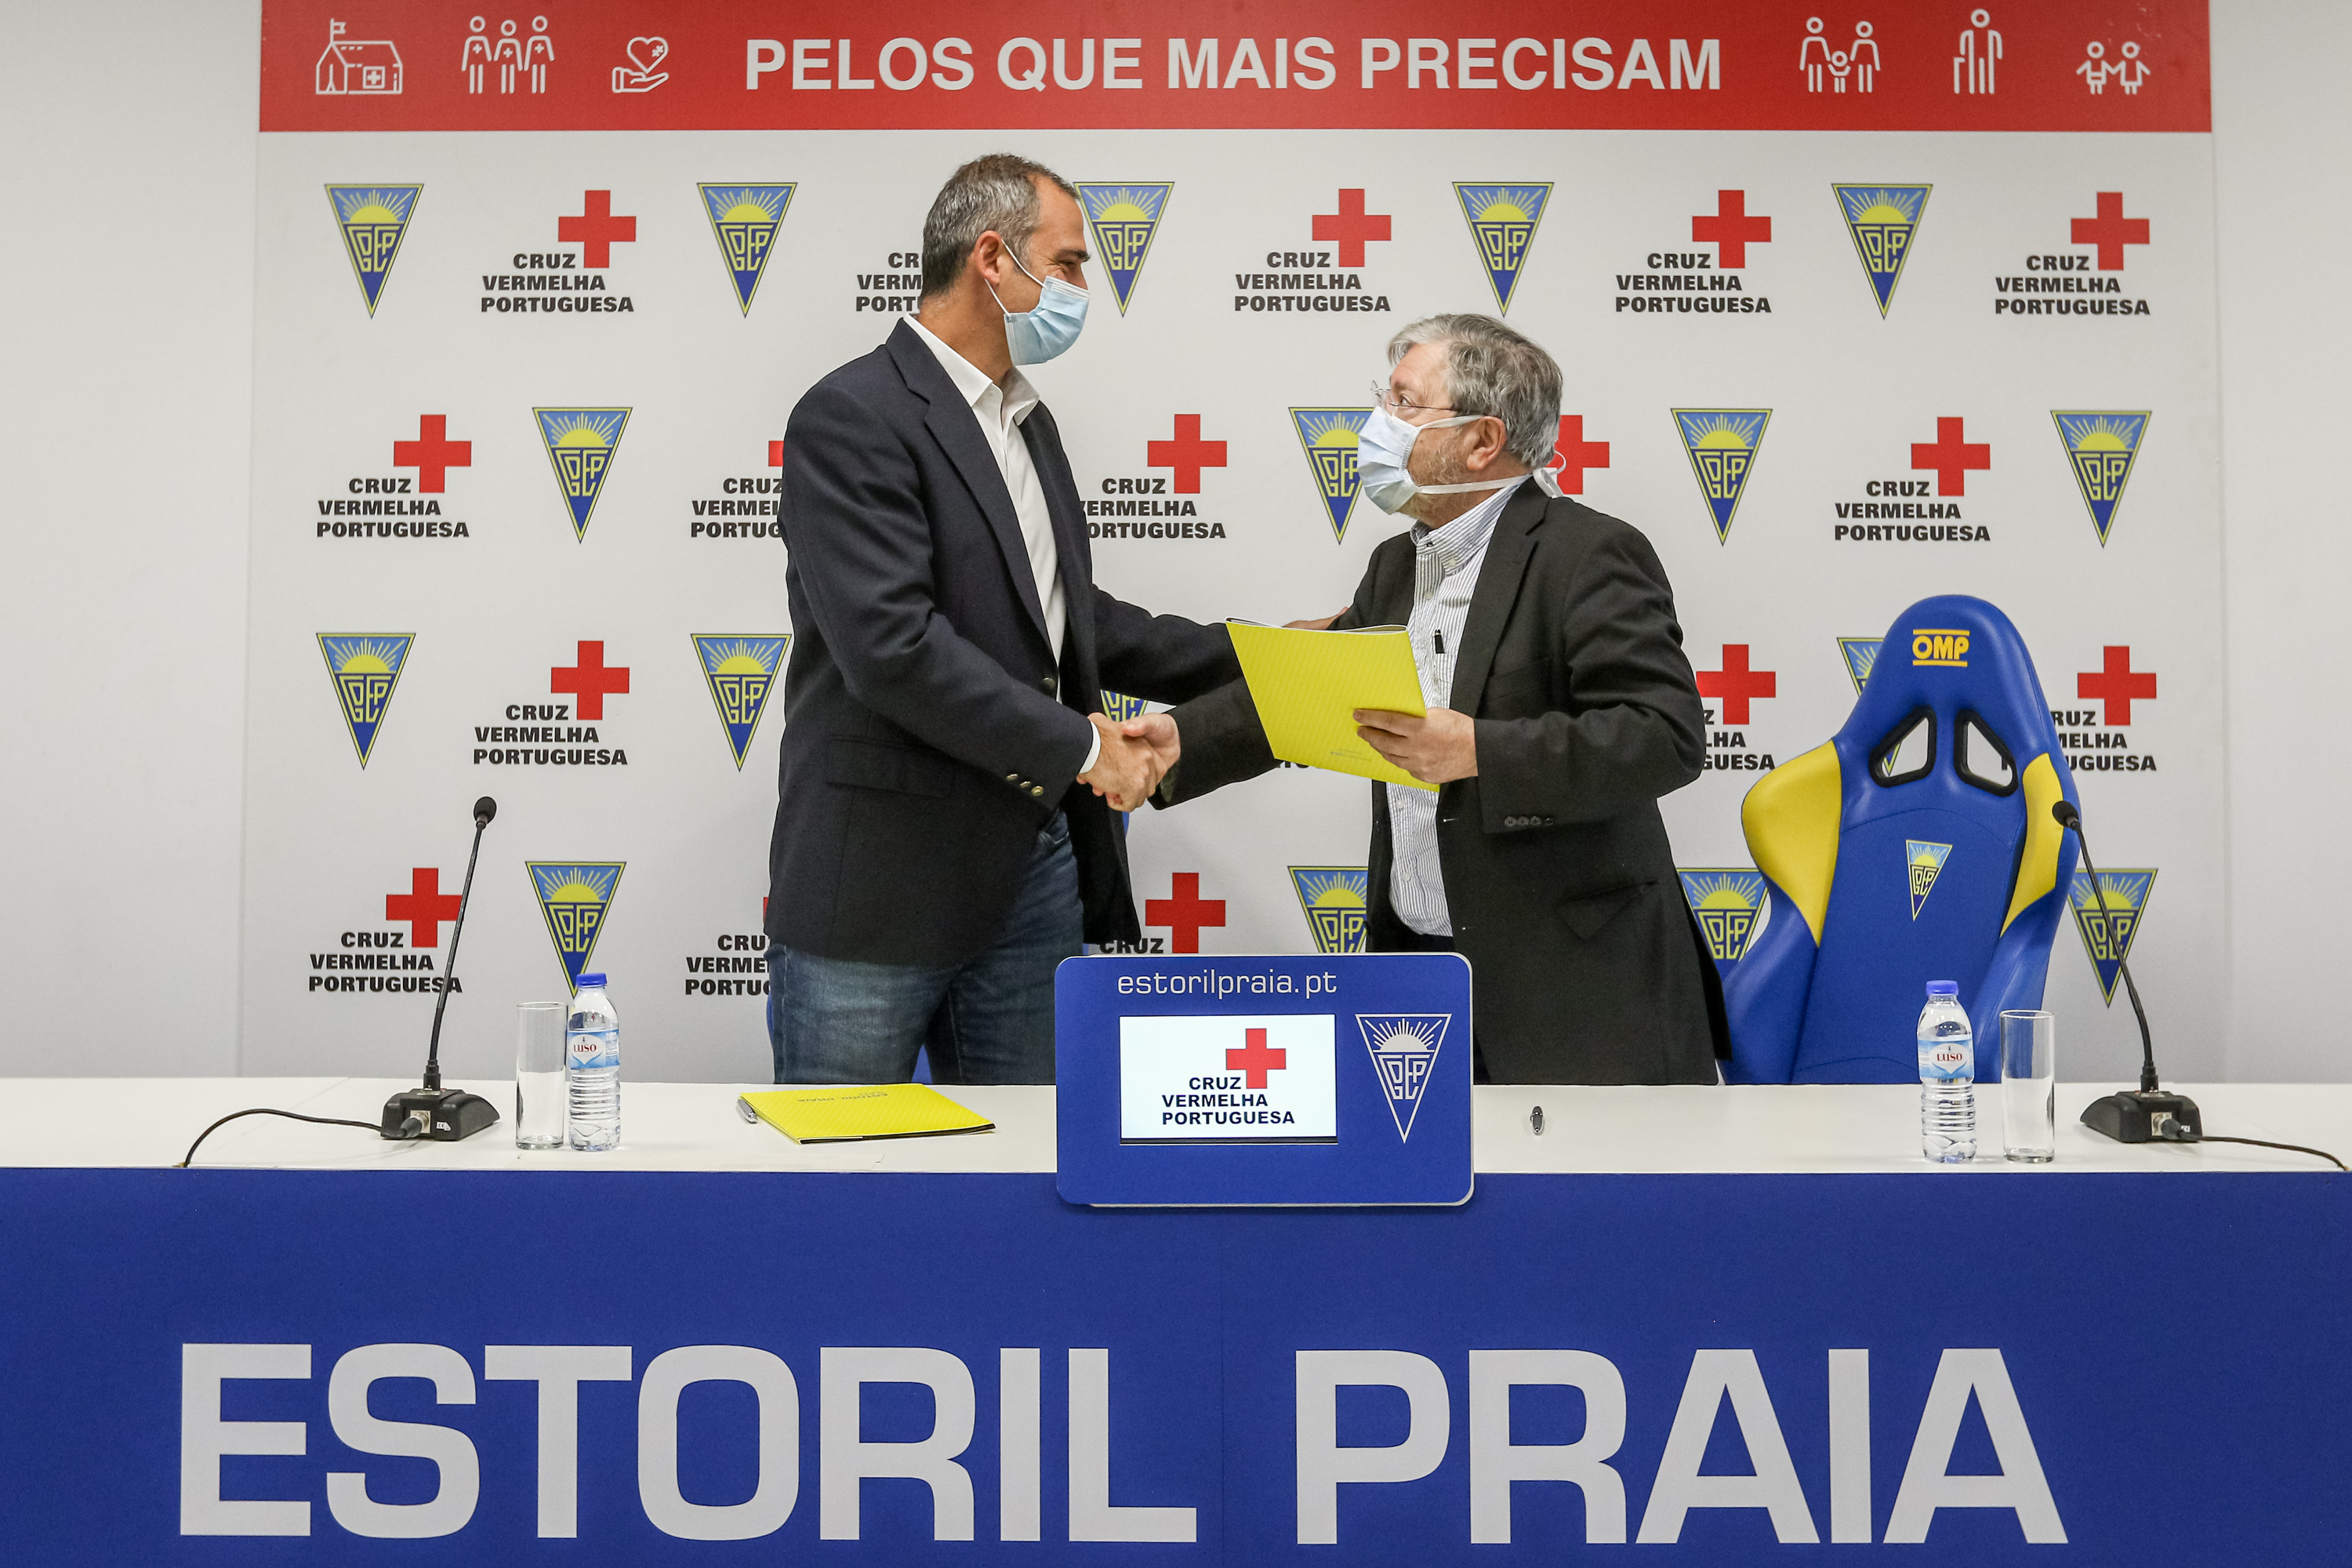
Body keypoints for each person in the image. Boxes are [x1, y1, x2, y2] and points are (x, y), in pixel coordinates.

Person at [1133, 314, 1727, 1083]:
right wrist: (1176, 743)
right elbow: (1316, 692)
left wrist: (1476, 750)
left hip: (1576, 991)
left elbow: (1663, 734)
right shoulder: (1393, 566)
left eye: (1405, 403)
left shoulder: (1588, 554)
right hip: (1421, 984)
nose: (1378, 423)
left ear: (1482, 440)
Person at [765, 154, 1239, 1086]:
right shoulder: (851, 414)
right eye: (1066, 263)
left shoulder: (1027, 422)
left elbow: (1068, 617)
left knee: (1029, 1161)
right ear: (992, 258)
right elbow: (893, 648)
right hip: (879, 889)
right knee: (842, 1168)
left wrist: (1258, 655)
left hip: (1031, 877)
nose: (1080, 289)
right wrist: (1087, 747)